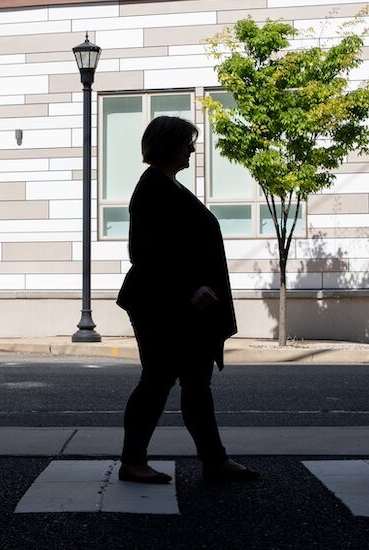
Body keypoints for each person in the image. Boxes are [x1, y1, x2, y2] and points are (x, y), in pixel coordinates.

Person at [115, 116, 259, 484]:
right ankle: (134, 461)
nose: (192, 150)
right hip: (163, 306)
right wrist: (190, 288)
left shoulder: (166, 186)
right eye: (186, 143)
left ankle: (215, 460)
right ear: (168, 145)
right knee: (159, 379)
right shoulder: (152, 189)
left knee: (196, 382)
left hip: (182, 307)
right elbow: (145, 252)